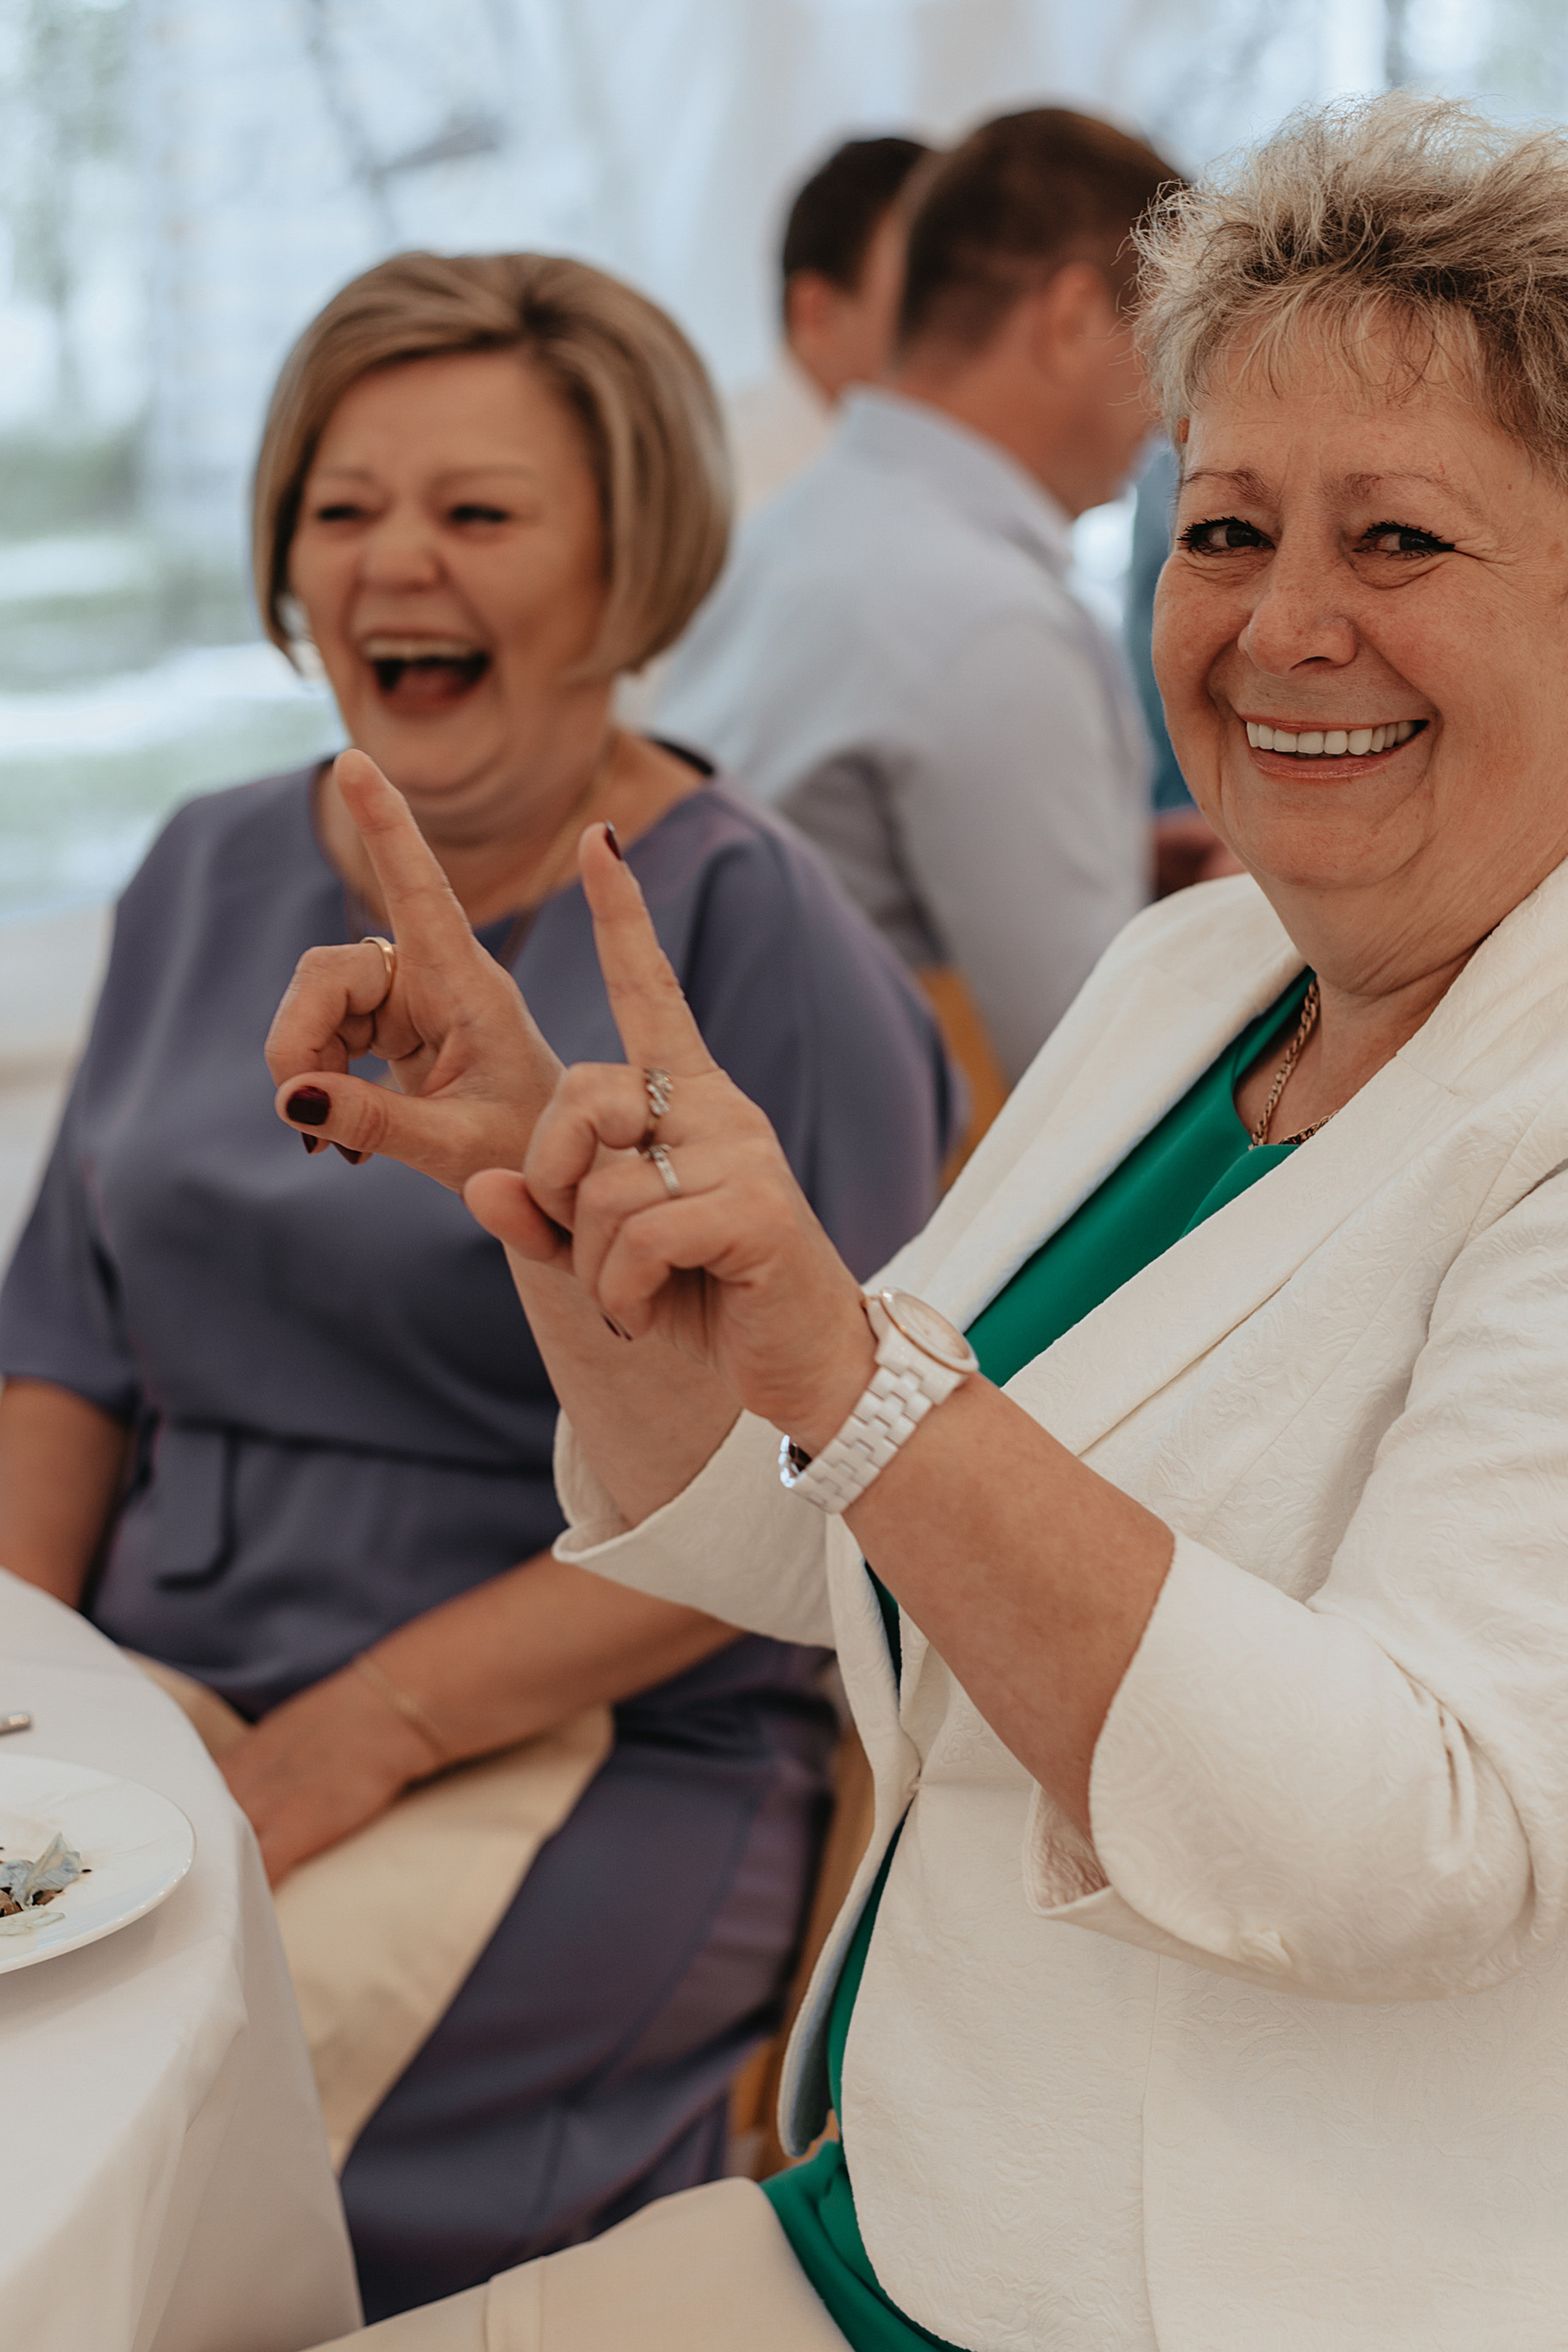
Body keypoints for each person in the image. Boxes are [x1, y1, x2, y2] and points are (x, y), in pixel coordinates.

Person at [286, 94, 1568, 2348]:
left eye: (1395, 545)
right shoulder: (1194, 972)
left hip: (1212, 2288)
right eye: (1219, 524)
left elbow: (1412, 1843)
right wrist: (566, 1215)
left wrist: (848, 1367)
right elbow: (829, 1537)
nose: (1278, 626)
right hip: (907, 2196)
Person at [0, 252, 957, 2322]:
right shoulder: (197, 869)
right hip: (163, 1697)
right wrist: (31, 1702)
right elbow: (59, 1353)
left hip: (590, 1744)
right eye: (342, 512)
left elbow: (836, 1493)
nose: (392, 565)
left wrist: (366, 1727)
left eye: (480, 513)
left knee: (165, 2151)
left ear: (633, 572)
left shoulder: (754, 939)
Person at [655, 108, 1177, 1091]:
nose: (1171, 408)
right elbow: (1095, 1082)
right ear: (1071, 320)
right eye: (1166, 343)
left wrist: (1124, 866)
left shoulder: (795, 531)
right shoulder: (989, 623)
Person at [728, 135, 931, 516]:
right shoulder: (730, 493)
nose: (949, 326)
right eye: (918, 293)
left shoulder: (917, 478)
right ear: (816, 311)